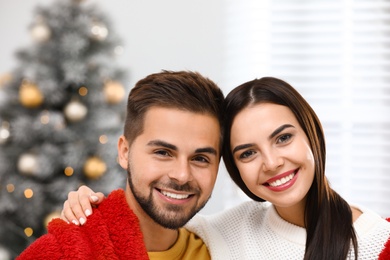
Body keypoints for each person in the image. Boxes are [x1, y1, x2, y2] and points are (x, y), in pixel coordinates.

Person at [62, 77, 390, 259]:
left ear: (312, 134)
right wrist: (89, 207)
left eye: (283, 138)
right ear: (233, 168)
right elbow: (149, 217)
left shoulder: (378, 240)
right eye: (247, 153)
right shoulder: (223, 232)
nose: (272, 162)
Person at [17, 70, 225, 259]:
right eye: (163, 153)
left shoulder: (227, 248)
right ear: (124, 152)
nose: (181, 175)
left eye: (200, 159)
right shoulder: (62, 253)